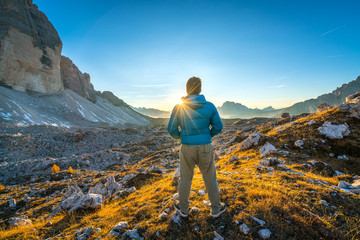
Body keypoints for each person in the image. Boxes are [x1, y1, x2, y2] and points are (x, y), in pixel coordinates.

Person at [167, 76, 226, 218]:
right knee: (210, 177)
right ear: (200, 90)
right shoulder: (210, 106)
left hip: (186, 147)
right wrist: (208, 136)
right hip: (205, 146)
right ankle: (216, 209)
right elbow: (219, 126)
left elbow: (171, 129)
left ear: (186, 90)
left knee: (185, 178)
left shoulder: (179, 107)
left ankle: (183, 209)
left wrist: (181, 136)